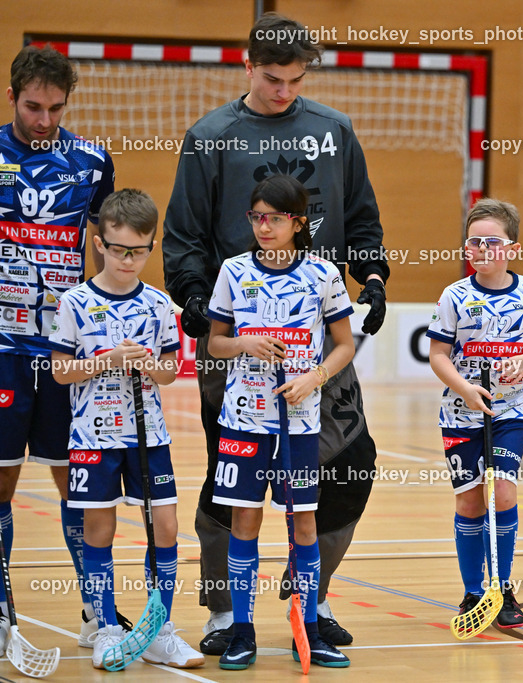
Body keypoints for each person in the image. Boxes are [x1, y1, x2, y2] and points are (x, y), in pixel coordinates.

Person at [162, 12, 388, 653]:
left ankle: (305, 603)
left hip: (317, 338)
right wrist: (196, 303)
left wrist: (370, 277)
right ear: (246, 66)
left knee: (349, 468)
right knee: (229, 480)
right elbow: (182, 238)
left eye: (294, 79)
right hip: (233, 339)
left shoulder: (334, 130)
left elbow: (362, 220)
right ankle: (220, 614)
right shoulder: (211, 137)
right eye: (271, 78)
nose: (284, 90)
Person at [0, 44, 130, 650]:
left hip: (63, 353)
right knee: (1, 483)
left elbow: (113, 248)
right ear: (12, 98)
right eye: (33, 107)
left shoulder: (91, 161)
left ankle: (97, 612)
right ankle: (3, 612)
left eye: (55, 107)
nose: (44, 119)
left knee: (77, 483)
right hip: (0, 348)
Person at [49, 189, 204, 669]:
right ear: (100, 243)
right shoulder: (74, 301)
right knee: (100, 528)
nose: (128, 260)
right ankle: (107, 630)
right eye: (118, 249)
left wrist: (150, 367)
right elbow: (59, 370)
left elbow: (169, 370)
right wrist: (106, 361)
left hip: (149, 436)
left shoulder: (159, 304)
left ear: (151, 247)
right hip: (93, 439)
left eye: (138, 251)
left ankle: (158, 630)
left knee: (166, 526)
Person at [207, 174, 355, 670]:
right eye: (256, 217)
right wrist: (244, 344)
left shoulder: (323, 275)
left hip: (301, 419)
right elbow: (215, 344)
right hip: (244, 421)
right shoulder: (232, 270)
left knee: (305, 523)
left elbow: (344, 345)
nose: (263, 226)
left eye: (274, 217)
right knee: (245, 519)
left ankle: (308, 629)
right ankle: (242, 631)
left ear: (297, 222)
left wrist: (314, 378)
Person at [428, 199, 523, 628]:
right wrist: (463, 388)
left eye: (491, 242)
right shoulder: (455, 295)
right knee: (469, 500)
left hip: (512, 410)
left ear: (512, 248)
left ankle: (501, 586)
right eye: (473, 242)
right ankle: (472, 592)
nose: (481, 249)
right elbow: (438, 354)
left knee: (502, 493)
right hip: (461, 413)